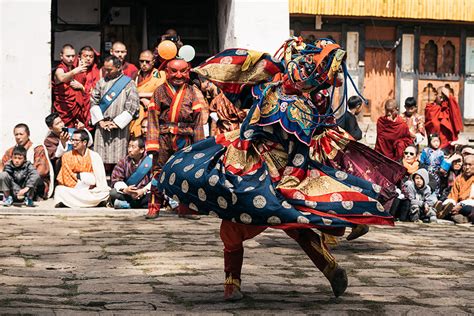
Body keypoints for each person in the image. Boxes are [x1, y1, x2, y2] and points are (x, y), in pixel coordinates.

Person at [154, 38, 406, 300]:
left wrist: (290, 182)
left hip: (262, 168)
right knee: (282, 222)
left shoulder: (285, 100)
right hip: (249, 161)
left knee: (269, 220)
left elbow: (294, 152)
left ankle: (318, 268)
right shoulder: (277, 93)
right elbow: (277, 139)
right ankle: (242, 283)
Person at [145, 58, 208, 219]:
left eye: (182, 71)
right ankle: (154, 205)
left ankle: (185, 207)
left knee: (186, 173)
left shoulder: (193, 91)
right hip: (163, 137)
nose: (178, 75)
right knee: (158, 171)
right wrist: (152, 143)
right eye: (174, 71)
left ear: (188, 71)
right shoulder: (159, 91)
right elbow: (152, 118)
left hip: (185, 138)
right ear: (166, 72)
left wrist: (199, 146)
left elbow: (198, 121)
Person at [90, 55, 140, 171]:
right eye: (105, 69)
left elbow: (132, 106)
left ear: (118, 67)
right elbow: (93, 101)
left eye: (109, 69)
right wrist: (100, 121)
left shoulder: (128, 83)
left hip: (119, 127)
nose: (106, 72)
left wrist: (116, 123)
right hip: (102, 126)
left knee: (119, 158)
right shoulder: (101, 83)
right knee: (99, 158)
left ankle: (117, 182)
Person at [54, 130, 109, 208]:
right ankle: (93, 202)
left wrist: (83, 177)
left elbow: (100, 180)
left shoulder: (94, 156)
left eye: (76, 140)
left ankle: (75, 202)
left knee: (104, 192)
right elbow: (66, 177)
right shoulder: (67, 156)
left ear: (84, 142)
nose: (73, 143)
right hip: (75, 189)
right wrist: (81, 179)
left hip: (91, 189)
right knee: (59, 190)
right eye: (72, 140)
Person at [0, 124, 51, 199]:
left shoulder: (37, 149)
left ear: (28, 134)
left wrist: (23, 177)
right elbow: (2, 167)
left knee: (35, 177)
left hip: (31, 184)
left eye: (21, 134)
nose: (18, 137)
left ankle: (26, 196)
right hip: (15, 183)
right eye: (16, 134)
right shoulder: (11, 151)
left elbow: (41, 171)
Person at [129, 50, 166, 137]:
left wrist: (140, 95)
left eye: (147, 61)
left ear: (153, 62)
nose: (144, 64)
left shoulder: (160, 75)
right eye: (141, 61)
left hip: (153, 111)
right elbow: (129, 93)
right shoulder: (135, 75)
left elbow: (160, 93)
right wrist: (142, 99)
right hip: (137, 112)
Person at [43, 113, 92, 177]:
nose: (61, 125)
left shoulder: (73, 131)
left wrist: (83, 129)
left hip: (80, 161)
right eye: (57, 124)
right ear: (51, 128)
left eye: (61, 122)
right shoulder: (49, 140)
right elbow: (55, 156)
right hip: (64, 168)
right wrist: (63, 143)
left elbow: (89, 143)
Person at [52, 44, 88, 128]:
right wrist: (74, 71)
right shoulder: (60, 69)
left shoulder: (74, 68)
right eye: (68, 56)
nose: (71, 59)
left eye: (73, 56)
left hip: (75, 111)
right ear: (61, 56)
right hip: (64, 111)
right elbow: (61, 77)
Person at [110, 137, 152, 209]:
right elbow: (116, 179)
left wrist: (142, 191)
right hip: (128, 193)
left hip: (144, 193)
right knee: (113, 193)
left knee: (156, 194)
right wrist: (126, 190)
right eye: (129, 146)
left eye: (133, 147)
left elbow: (155, 180)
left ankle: (127, 205)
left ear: (141, 150)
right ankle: (139, 205)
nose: (129, 150)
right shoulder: (123, 162)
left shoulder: (150, 161)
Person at [436, 155, 474, 223]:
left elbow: (472, 198)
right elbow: (453, 195)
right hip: (457, 204)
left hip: (469, 204)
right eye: (465, 164)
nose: (467, 167)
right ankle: (443, 211)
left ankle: (455, 216)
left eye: (470, 165)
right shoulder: (459, 178)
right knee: (448, 203)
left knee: (467, 209)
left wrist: (461, 205)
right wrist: (452, 205)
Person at [74, 46, 101, 130]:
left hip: (90, 107)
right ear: (79, 57)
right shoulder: (73, 70)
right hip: (76, 107)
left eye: (91, 56)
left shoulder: (96, 72)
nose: (88, 59)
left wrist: (82, 88)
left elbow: (97, 92)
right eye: (86, 56)